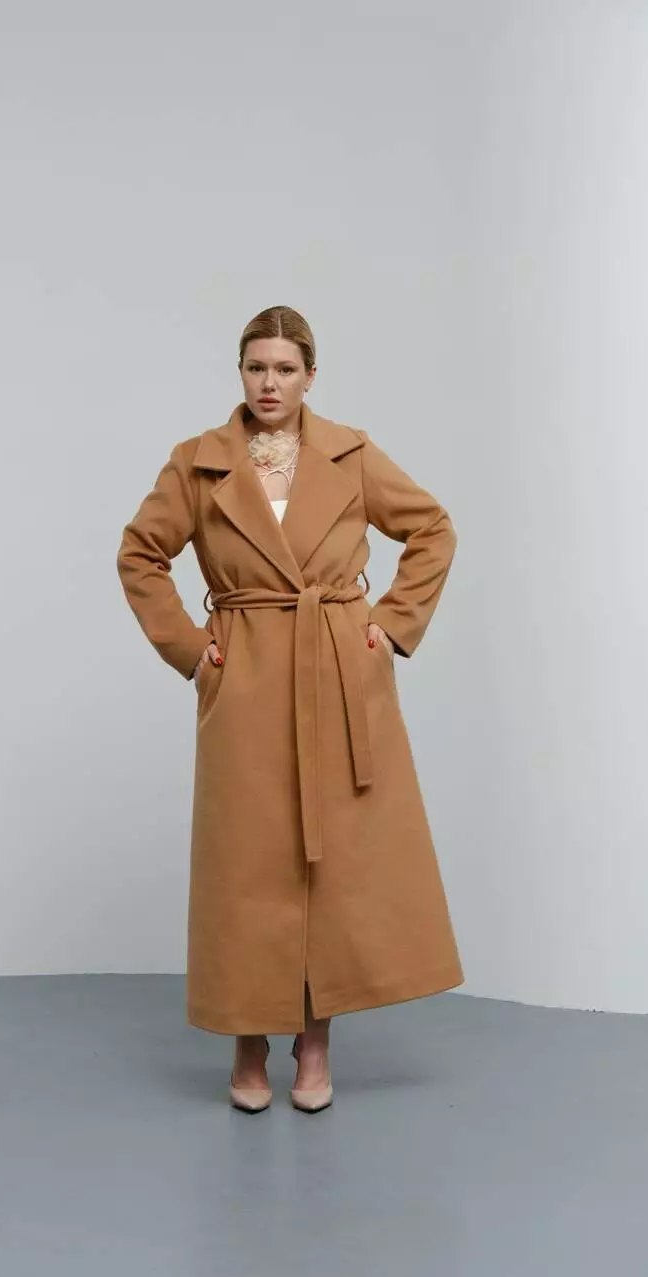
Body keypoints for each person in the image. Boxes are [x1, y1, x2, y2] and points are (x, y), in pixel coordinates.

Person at [116, 305, 463, 1113]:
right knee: (247, 863)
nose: (268, 384)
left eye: (283, 369)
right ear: (239, 374)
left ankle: (315, 1042)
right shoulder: (197, 462)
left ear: (310, 376)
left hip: (335, 671)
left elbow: (431, 529)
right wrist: (190, 649)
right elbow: (140, 553)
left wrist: (388, 626)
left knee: (327, 862)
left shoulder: (349, 454)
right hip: (244, 674)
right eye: (255, 368)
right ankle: (247, 1041)